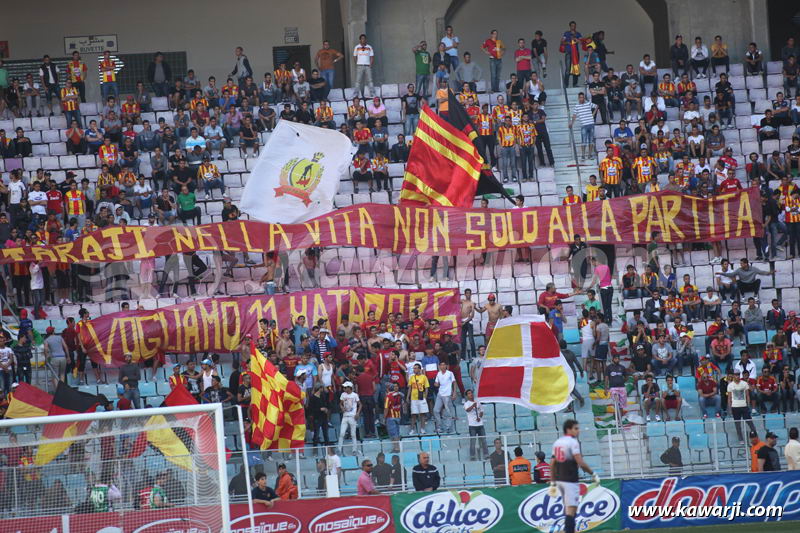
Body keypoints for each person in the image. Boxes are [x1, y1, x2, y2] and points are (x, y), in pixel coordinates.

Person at [550, 420, 599, 533]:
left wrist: (552, 482)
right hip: (570, 480)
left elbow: (552, 464)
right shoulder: (573, 442)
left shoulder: (557, 442)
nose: (578, 431)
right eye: (576, 428)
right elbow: (580, 463)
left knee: (569, 507)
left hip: (560, 480)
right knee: (571, 510)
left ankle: (567, 529)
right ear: (568, 429)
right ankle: (569, 530)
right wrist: (593, 473)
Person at [729, 370, 758, 442]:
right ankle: (740, 438)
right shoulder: (730, 385)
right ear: (733, 375)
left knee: (750, 422)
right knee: (737, 424)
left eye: (738, 375)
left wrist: (748, 405)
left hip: (744, 406)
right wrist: (730, 408)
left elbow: (747, 395)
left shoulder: (744, 384)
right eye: (735, 375)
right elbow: (729, 398)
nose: (737, 376)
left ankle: (755, 436)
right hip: (735, 407)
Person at [463, 389, 488, 460]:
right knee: (473, 441)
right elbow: (467, 410)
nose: (470, 394)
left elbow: (481, 411)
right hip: (472, 425)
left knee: (483, 440)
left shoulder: (478, 402)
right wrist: (473, 406)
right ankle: (472, 456)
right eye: (468, 393)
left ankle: (486, 454)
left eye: (471, 393)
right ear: (467, 396)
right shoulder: (466, 403)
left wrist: (480, 417)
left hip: (480, 424)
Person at [433, 360, 456, 434]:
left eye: (444, 365)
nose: (442, 366)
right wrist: (436, 384)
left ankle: (448, 428)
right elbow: (436, 383)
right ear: (439, 366)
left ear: (446, 366)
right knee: (436, 410)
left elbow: (454, 382)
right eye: (441, 365)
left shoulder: (450, 373)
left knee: (448, 412)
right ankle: (439, 427)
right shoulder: (438, 373)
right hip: (440, 393)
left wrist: (454, 392)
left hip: (447, 394)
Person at [338, 381, 360, 455]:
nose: (344, 388)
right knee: (342, 433)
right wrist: (342, 408)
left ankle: (354, 450)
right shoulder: (343, 394)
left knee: (353, 434)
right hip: (345, 416)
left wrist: (357, 413)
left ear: (349, 388)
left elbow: (360, 404)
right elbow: (340, 403)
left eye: (345, 387)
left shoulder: (355, 395)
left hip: (352, 416)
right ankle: (339, 449)